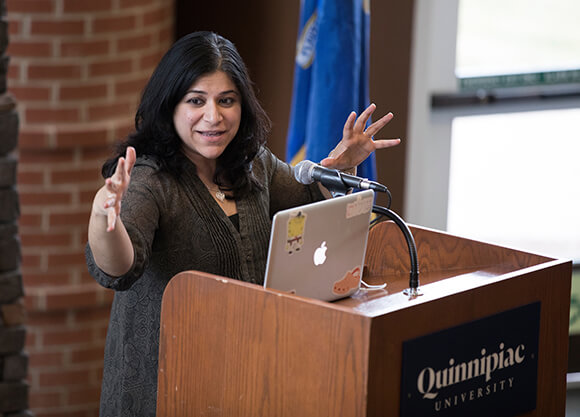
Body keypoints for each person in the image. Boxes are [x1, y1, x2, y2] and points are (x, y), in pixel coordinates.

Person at [86, 31, 399, 417]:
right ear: (170, 105)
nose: (213, 117)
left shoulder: (254, 162)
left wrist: (340, 166)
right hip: (167, 386)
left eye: (226, 101)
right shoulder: (149, 179)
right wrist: (106, 219)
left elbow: (306, 206)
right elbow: (117, 268)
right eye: (196, 101)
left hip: (246, 376)